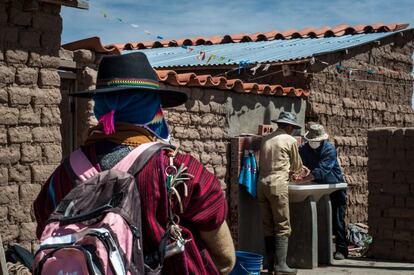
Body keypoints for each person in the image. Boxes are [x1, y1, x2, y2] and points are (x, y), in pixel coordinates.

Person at [33, 52, 235, 274]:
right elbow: (225, 259)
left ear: (101, 106)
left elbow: (47, 228)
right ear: (151, 108)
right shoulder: (179, 171)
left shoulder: (66, 172)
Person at [258, 111, 308, 275]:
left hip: (262, 184)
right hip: (277, 185)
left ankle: (271, 265)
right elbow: (297, 166)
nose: (293, 130)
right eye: (292, 127)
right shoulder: (289, 140)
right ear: (288, 126)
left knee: (268, 225)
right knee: (282, 225)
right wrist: (299, 172)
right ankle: (281, 266)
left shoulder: (266, 139)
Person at [298, 123, 348, 260]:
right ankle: (319, 250)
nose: (314, 143)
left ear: (322, 140)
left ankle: (342, 249)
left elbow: (322, 170)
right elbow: (299, 163)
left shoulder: (329, 149)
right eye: (311, 141)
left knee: (337, 220)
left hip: (335, 185)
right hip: (317, 186)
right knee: (318, 218)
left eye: (316, 141)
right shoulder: (303, 149)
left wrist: (303, 179)